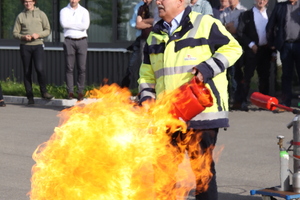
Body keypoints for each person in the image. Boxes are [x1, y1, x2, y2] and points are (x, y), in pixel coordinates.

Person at [138, 0, 242, 199]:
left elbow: (233, 48)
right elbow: (146, 74)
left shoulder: (205, 23)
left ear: (181, 1)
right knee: (163, 174)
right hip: (167, 116)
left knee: (203, 175)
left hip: (201, 114)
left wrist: (206, 69)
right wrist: (147, 97)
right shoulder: (154, 35)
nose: (158, 2)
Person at [12, 0, 54, 105]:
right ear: (23, 3)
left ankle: (44, 92)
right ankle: (30, 96)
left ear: (34, 2)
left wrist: (38, 35)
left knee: (39, 69)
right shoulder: (20, 16)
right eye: (26, 1)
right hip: (25, 46)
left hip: (38, 45)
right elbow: (15, 33)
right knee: (27, 71)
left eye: (30, 1)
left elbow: (48, 30)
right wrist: (22, 37)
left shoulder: (41, 14)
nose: (28, 3)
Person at [236, 0, 274, 110]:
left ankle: (264, 102)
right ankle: (243, 101)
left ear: (267, 1)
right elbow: (240, 32)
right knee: (247, 76)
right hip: (252, 50)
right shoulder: (246, 14)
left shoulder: (270, 14)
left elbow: (274, 31)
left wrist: (273, 50)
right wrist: (251, 44)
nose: (261, 1)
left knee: (264, 77)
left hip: (265, 50)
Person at [266, 0, 300, 107]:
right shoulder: (280, 6)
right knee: (286, 75)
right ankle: (286, 102)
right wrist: (272, 43)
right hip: (285, 46)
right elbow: (270, 25)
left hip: (299, 45)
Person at [60, 0, 90, 101]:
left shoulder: (84, 11)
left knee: (82, 68)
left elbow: (85, 26)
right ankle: (70, 92)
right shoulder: (64, 11)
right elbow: (64, 24)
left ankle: (80, 92)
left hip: (82, 41)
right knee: (69, 67)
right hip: (69, 41)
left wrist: (71, 24)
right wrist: (78, 25)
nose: (73, 0)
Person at [219, 0, 247, 110]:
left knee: (237, 74)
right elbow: (220, 28)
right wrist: (227, 27)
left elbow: (241, 29)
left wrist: (232, 28)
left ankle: (238, 100)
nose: (230, 1)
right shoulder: (224, 12)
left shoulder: (243, 11)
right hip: (226, 44)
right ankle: (227, 99)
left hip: (238, 44)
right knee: (226, 74)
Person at [121, 1, 144, 88]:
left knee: (146, 65)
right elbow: (134, 23)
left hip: (152, 39)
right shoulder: (139, 6)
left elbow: (155, 22)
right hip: (140, 38)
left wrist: (143, 23)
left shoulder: (155, 6)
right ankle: (125, 89)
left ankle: (145, 89)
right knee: (132, 65)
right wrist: (141, 24)